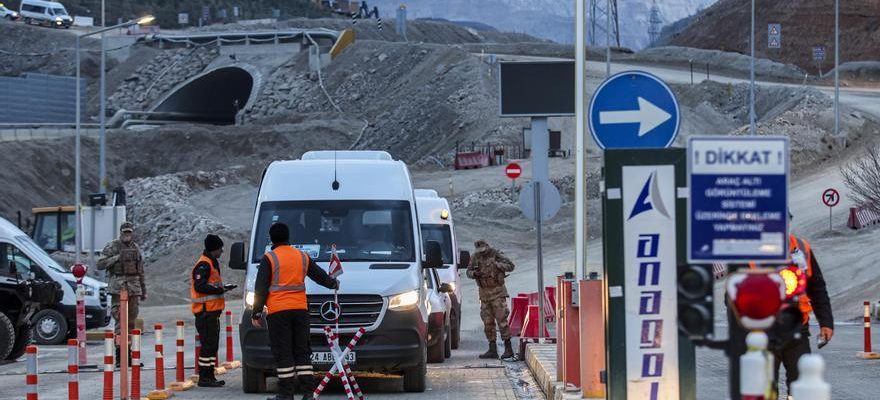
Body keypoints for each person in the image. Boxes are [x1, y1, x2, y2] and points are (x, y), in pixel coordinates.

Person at [250, 223, 339, 400]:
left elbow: (260, 288)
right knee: (302, 350)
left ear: (271, 239)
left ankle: (286, 394)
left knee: (283, 352)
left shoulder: (269, 258)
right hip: (300, 310)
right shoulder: (302, 256)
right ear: (288, 237)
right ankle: (308, 393)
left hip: (278, 312)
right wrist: (333, 283)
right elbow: (319, 275)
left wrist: (256, 313)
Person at [771, 228, 833, 394]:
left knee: (802, 385)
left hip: (798, 330)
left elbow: (817, 288)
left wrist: (826, 323)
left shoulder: (801, 247)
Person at [190, 234, 237, 387]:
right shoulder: (204, 264)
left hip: (212, 312)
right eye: (220, 249)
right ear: (214, 249)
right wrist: (218, 290)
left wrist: (221, 289)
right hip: (205, 313)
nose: (222, 251)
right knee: (208, 346)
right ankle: (205, 378)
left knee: (212, 345)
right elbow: (200, 286)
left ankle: (209, 376)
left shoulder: (211, 262)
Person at [97, 221, 146, 366]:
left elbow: (141, 270)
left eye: (129, 232)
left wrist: (144, 290)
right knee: (120, 322)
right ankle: (120, 357)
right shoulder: (112, 246)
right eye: (125, 232)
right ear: (121, 232)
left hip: (134, 288)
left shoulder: (135, 248)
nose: (127, 235)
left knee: (131, 322)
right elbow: (100, 264)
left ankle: (129, 356)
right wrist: (117, 257)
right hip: (119, 288)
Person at [466, 239, 515, 360]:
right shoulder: (475, 257)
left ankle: (508, 348)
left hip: (498, 292)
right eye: (479, 251)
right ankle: (492, 348)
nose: (482, 253)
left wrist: (497, 265)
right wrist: (474, 274)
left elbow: (511, 266)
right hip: (484, 294)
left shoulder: (496, 254)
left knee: (502, 320)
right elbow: (468, 272)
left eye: (483, 251)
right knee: (488, 322)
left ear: (487, 247)